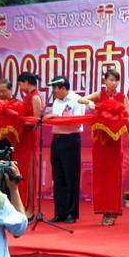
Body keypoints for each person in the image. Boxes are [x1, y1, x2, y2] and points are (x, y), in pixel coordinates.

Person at [80, 69, 129, 226]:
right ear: (105, 81)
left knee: (113, 176)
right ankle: (104, 211)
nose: (114, 83)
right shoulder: (99, 94)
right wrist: (90, 103)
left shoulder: (122, 97)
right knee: (102, 176)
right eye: (111, 80)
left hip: (114, 142)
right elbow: (80, 99)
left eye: (116, 80)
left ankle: (112, 212)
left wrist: (122, 120)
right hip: (101, 142)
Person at [43, 76, 85, 224]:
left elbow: (77, 122)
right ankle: (59, 212)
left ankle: (71, 213)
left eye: (55, 88)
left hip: (71, 140)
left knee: (70, 178)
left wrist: (57, 116)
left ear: (62, 87)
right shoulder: (56, 101)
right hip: (57, 140)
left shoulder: (77, 100)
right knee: (58, 177)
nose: (53, 91)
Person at [15, 72, 42, 219]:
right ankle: (23, 206)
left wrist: (19, 121)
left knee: (29, 174)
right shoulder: (27, 97)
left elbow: (36, 121)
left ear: (26, 82)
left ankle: (31, 208)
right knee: (23, 172)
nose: (20, 86)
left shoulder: (35, 97)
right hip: (22, 139)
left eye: (20, 83)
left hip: (30, 139)